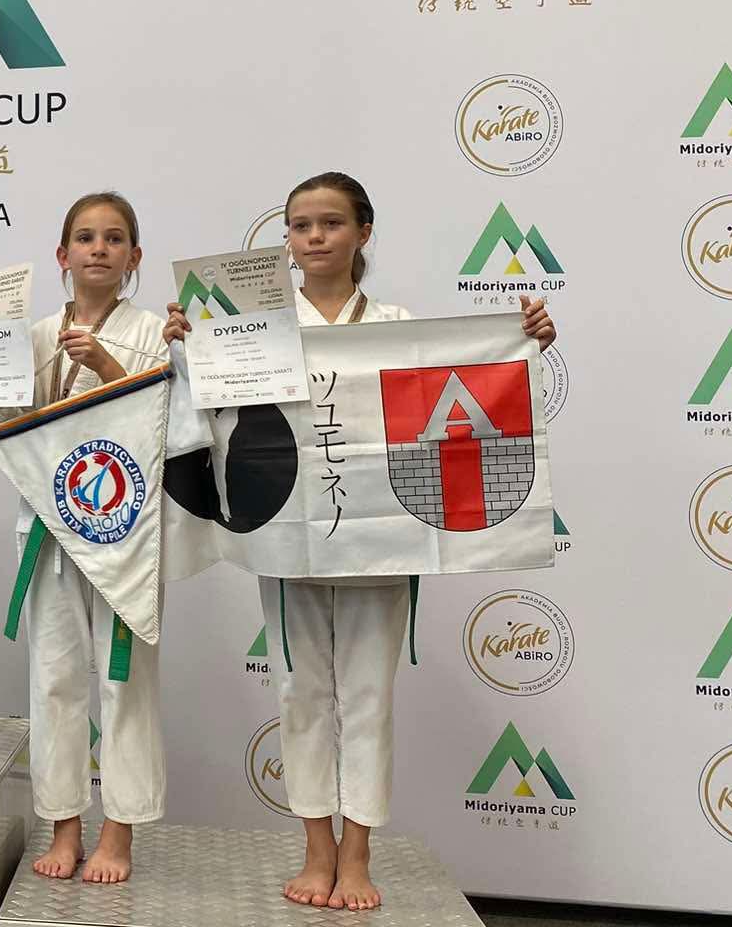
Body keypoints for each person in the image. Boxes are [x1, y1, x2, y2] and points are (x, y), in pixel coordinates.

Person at [168, 171, 556, 911]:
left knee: (370, 696)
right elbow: (205, 414)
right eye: (300, 225)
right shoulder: (254, 329)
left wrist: (525, 338)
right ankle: (316, 848)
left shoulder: (398, 324)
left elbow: (464, 395)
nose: (314, 237)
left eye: (331, 223)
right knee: (300, 693)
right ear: (285, 240)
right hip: (287, 540)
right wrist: (190, 348)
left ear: (363, 233)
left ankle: (358, 853)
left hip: (381, 543)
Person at [0, 191, 170, 884]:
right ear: (62, 255)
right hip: (48, 527)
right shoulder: (33, 333)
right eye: (85, 237)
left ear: (134, 256)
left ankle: (119, 833)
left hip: (125, 533)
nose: (99, 248)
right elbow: (6, 427)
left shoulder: (155, 332)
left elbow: (171, 426)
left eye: (114, 238)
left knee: (124, 683)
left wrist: (106, 367)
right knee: (54, 681)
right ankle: (64, 825)